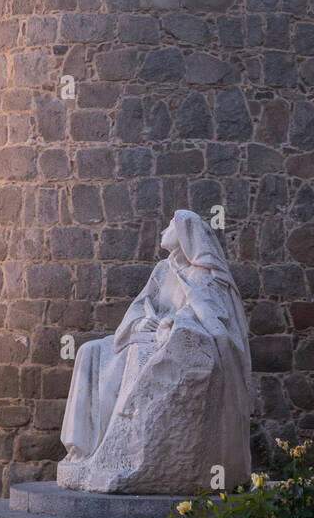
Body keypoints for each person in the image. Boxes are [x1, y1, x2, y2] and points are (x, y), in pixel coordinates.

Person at [59, 210, 251, 494]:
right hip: (142, 335)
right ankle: (81, 449)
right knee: (89, 350)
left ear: (185, 233)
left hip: (170, 343)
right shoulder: (163, 270)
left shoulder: (206, 277)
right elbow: (139, 306)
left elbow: (213, 321)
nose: (163, 230)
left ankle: (122, 452)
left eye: (170, 225)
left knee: (138, 356)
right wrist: (141, 321)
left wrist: (172, 322)